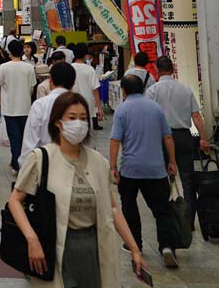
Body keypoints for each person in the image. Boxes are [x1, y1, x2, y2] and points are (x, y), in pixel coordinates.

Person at [8, 92, 146, 288]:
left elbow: (112, 208)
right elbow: (15, 200)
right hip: (56, 246)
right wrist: (32, 239)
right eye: (72, 118)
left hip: (94, 247)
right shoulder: (41, 159)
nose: (79, 124)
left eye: (83, 118)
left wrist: (134, 249)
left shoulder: (98, 162)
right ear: (58, 122)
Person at [110, 74, 180, 268]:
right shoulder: (156, 108)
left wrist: (113, 167)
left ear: (123, 91)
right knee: (161, 210)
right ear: (143, 88)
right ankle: (167, 246)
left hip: (130, 169)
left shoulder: (122, 110)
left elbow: (115, 140)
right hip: (156, 169)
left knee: (129, 206)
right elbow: (167, 137)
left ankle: (136, 244)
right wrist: (172, 161)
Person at [146, 55, 211, 222]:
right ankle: (188, 220)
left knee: (162, 178)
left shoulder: (153, 91)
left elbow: (148, 116)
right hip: (183, 136)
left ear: (157, 70)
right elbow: (196, 115)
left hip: (161, 138)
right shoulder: (186, 89)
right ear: (173, 70)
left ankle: (167, 216)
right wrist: (203, 138)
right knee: (187, 179)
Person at [21, 61, 76, 166]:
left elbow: (30, 142)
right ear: (73, 84)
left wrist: (25, 167)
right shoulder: (79, 104)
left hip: (47, 164)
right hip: (73, 164)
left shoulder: (40, 105)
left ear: (50, 81)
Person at [0, 39, 37, 172]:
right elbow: (32, 87)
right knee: (24, 137)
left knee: (14, 137)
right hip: (25, 107)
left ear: (9, 52)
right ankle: (21, 162)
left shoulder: (4, 67)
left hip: (9, 108)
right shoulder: (29, 67)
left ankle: (16, 163)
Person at [71, 45, 104, 130]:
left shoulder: (70, 68)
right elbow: (95, 89)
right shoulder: (90, 69)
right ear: (85, 54)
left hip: (72, 101)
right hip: (88, 103)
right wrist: (99, 108)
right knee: (86, 129)